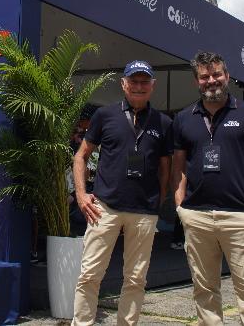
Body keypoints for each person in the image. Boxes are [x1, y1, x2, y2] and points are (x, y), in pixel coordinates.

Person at [171, 51, 244, 326]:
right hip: (197, 218)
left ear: (227, 76)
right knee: (204, 290)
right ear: (197, 81)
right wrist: (180, 205)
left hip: (240, 217)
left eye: (216, 74)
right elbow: (179, 167)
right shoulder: (184, 119)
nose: (211, 81)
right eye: (205, 76)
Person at [72, 60, 172, 326]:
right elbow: (81, 156)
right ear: (124, 84)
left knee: (136, 279)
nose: (139, 86)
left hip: (144, 212)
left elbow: (165, 167)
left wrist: (159, 199)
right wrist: (82, 195)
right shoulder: (105, 115)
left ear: (152, 85)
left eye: (144, 81)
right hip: (104, 208)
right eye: (134, 81)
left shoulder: (163, 122)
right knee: (90, 274)